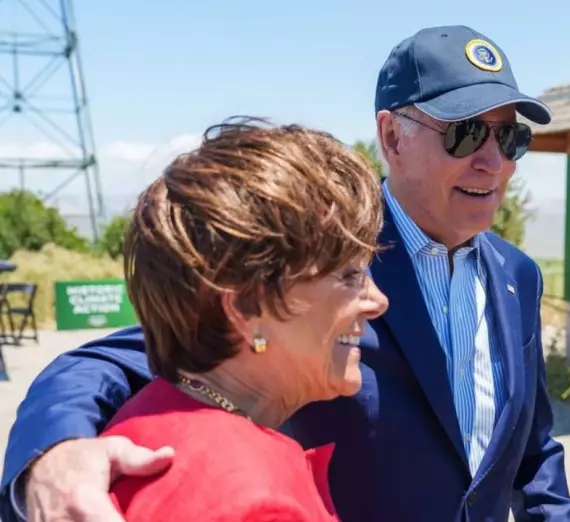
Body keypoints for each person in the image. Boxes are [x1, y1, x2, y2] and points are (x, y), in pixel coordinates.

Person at [1, 25, 570, 522]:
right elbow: (128, 358)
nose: (493, 160)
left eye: (510, 137)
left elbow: (530, 449)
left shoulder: (517, 275)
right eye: (467, 133)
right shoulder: (315, 251)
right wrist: (52, 453)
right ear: (391, 137)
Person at [113, 118, 388, 520]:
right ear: (244, 308)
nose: (377, 301)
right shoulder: (254, 501)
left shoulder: (145, 422)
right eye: (349, 276)